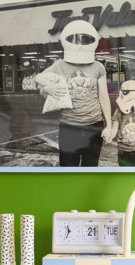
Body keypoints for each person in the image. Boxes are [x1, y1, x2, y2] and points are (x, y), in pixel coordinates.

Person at [34, 19, 113, 167]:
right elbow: (39, 81)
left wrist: (109, 125)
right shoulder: (59, 65)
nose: (80, 44)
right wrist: (45, 89)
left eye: (84, 40)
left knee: (91, 167)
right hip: (69, 126)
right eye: (76, 39)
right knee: (68, 168)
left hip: (94, 126)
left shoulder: (98, 67)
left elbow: (103, 97)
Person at [106, 79, 135, 167]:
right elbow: (114, 129)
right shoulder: (118, 112)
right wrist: (110, 136)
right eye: (127, 92)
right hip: (123, 150)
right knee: (125, 172)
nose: (132, 97)